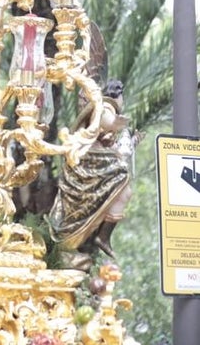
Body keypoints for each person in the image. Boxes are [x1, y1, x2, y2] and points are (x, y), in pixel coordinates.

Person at [48, 79, 133, 268]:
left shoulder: (104, 107)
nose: (123, 101)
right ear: (117, 96)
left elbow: (104, 135)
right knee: (122, 177)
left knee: (124, 188)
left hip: (96, 159)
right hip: (91, 161)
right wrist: (121, 124)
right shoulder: (104, 107)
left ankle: (103, 237)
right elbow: (108, 123)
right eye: (122, 97)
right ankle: (99, 237)